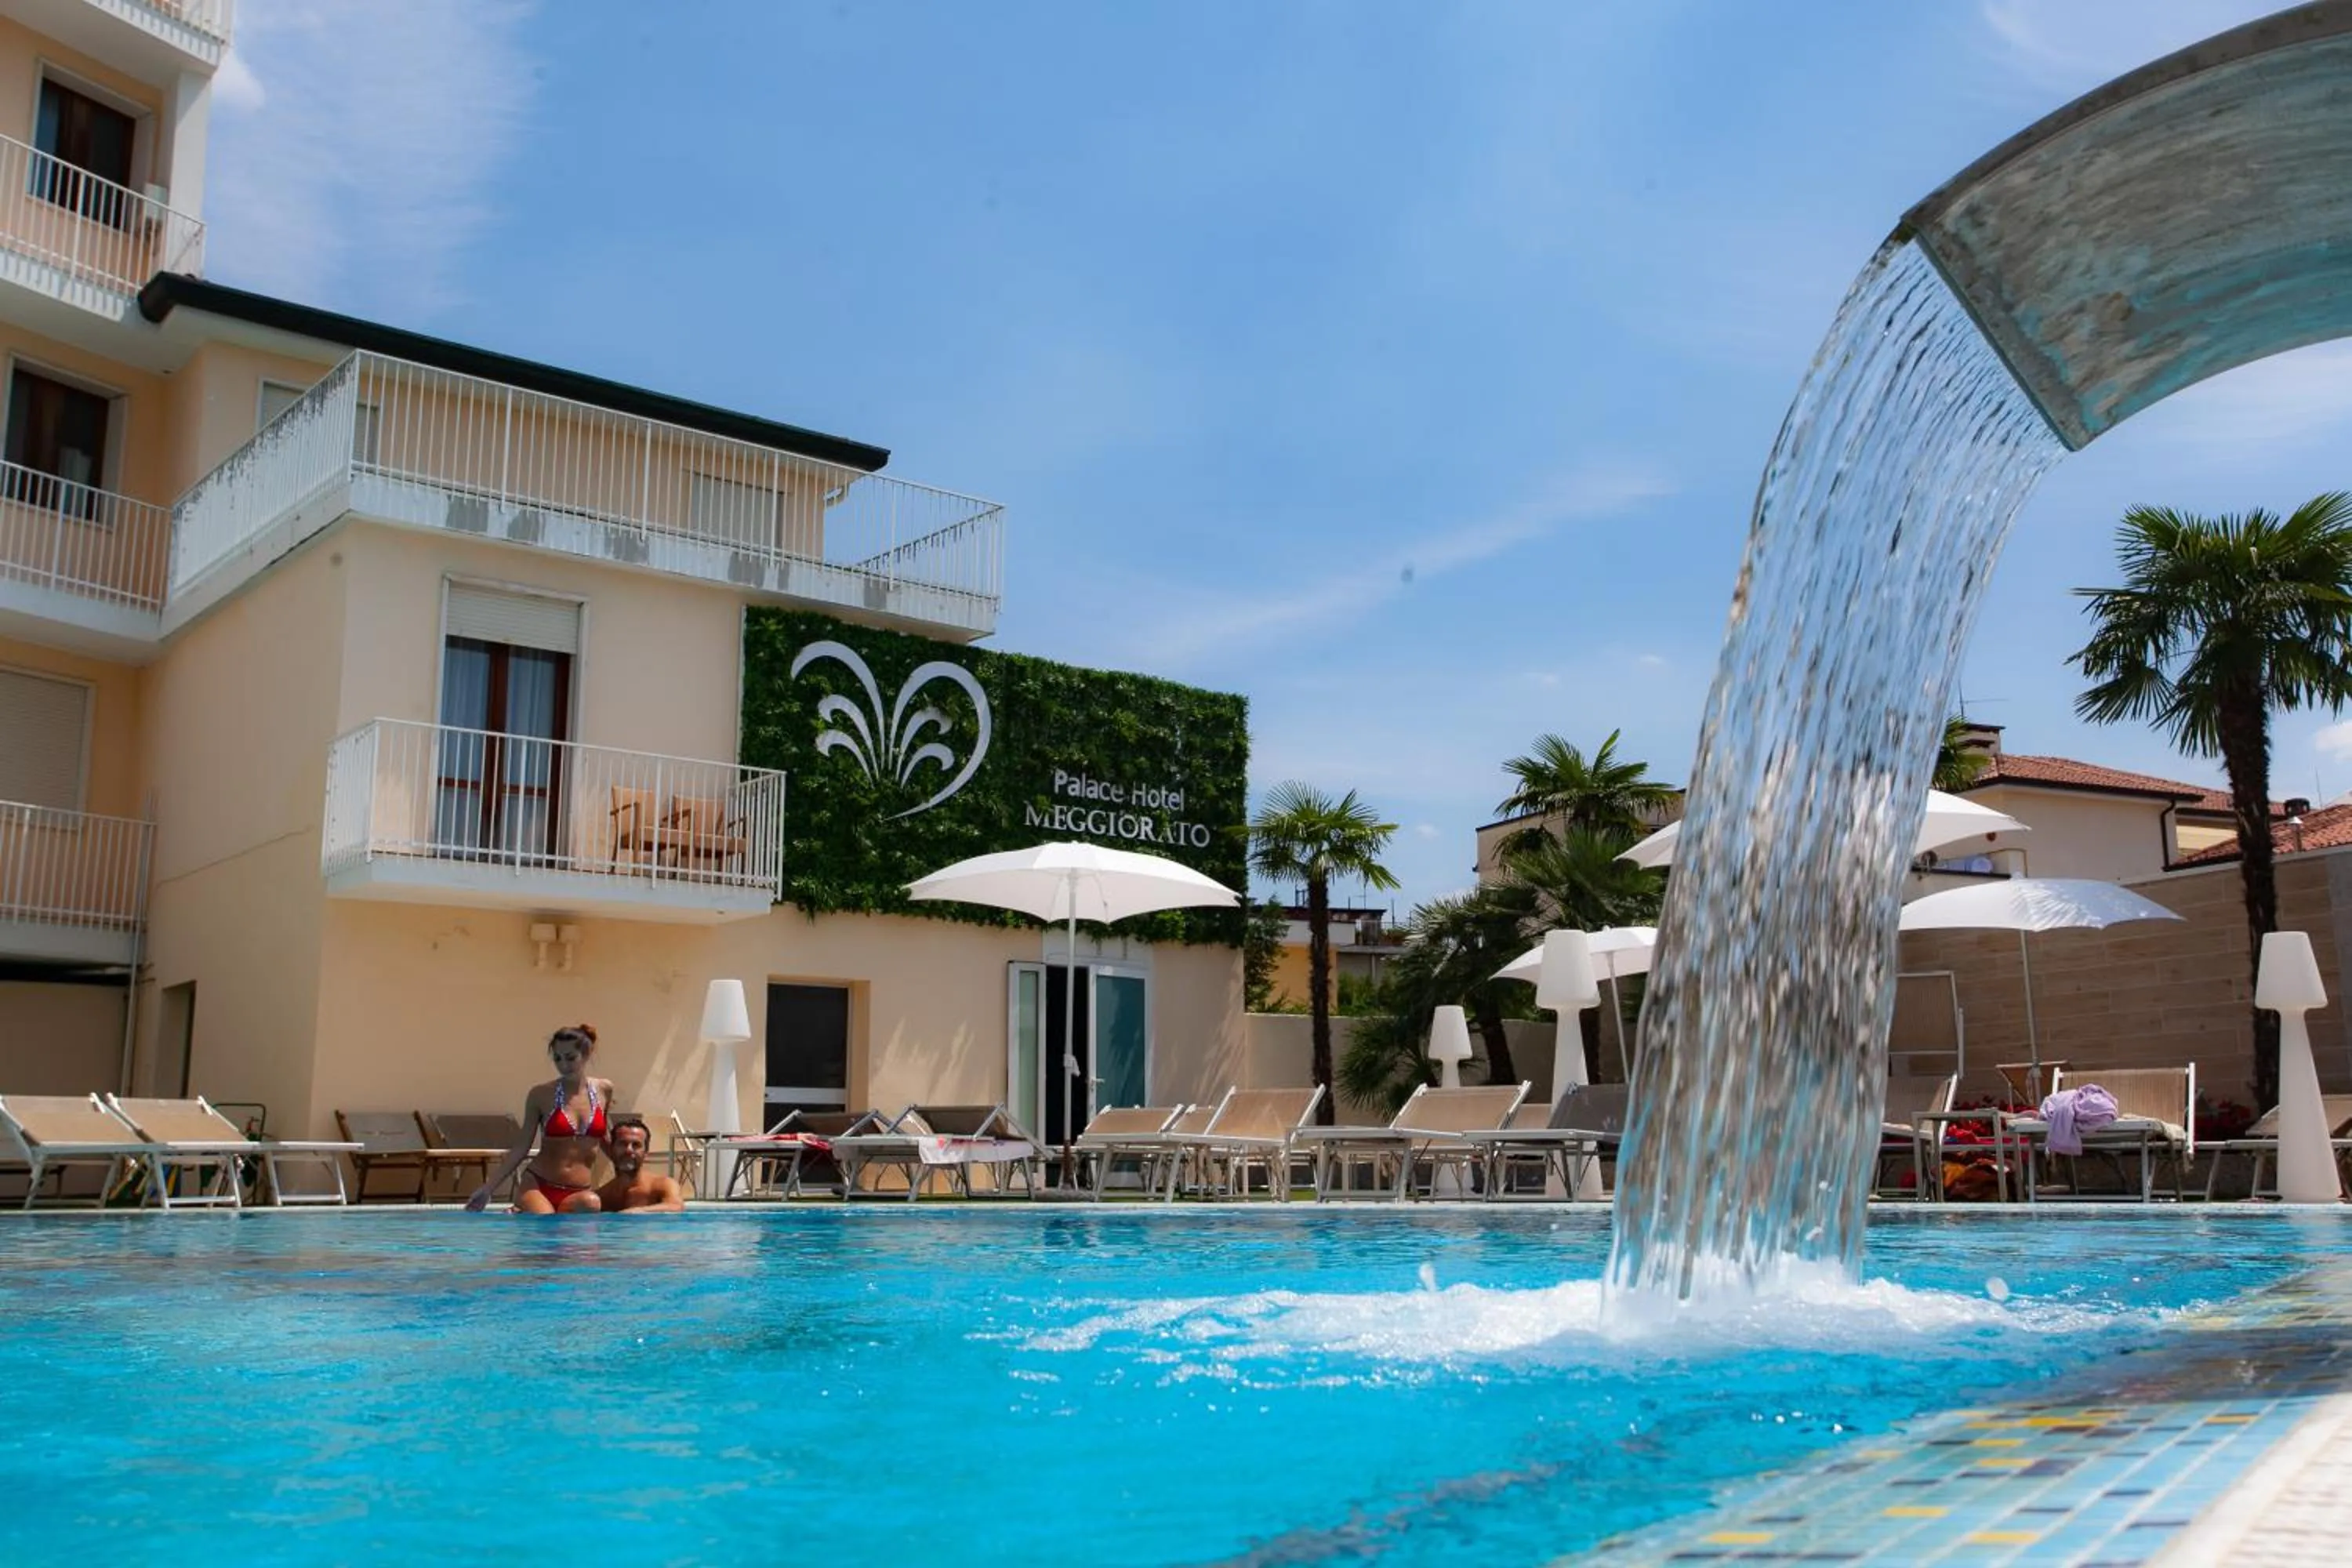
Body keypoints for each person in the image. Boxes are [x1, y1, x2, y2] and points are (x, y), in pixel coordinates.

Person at [466, 1024, 620, 1213]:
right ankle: (524, 1207)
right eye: (557, 1058)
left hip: (579, 1192)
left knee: (591, 1203)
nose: (564, 1065)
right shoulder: (540, 1095)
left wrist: (632, 1174)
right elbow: (522, 1147)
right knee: (547, 1226)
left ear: (587, 1054)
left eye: (571, 1058)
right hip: (539, 1186)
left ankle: (518, 1213)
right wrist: (488, 1188)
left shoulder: (604, 1090)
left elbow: (604, 1138)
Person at [595, 1116, 686, 1214]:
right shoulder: (603, 1196)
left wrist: (638, 1211)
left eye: (636, 1145)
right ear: (611, 1150)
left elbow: (676, 1206)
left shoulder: (663, 1185)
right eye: (622, 1144)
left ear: (646, 1153)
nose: (629, 1150)